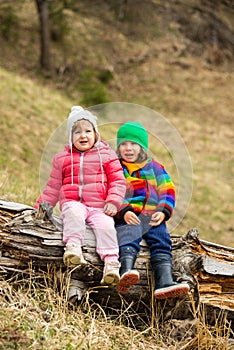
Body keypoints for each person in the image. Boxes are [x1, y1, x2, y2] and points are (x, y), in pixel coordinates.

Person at [35, 106, 126, 287]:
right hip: (73, 201)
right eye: (77, 132)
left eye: (87, 131)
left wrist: (113, 201)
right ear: (70, 137)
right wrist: (41, 207)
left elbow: (118, 181)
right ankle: (73, 248)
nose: (83, 136)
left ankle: (111, 263)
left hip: (100, 206)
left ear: (96, 134)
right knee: (73, 214)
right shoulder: (62, 158)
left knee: (107, 226)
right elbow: (53, 186)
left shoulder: (106, 155)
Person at [115, 121, 190, 299]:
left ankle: (164, 281)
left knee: (162, 239)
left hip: (151, 216)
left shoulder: (155, 168)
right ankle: (125, 271)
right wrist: (124, 210)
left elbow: (168, 190)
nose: (128, 148)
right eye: (124, 144)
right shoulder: (116, 168)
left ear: (142, 147)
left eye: (134, 144)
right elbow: (112, 191)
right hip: (129, 215)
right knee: (129, 234)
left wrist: (163, 211)